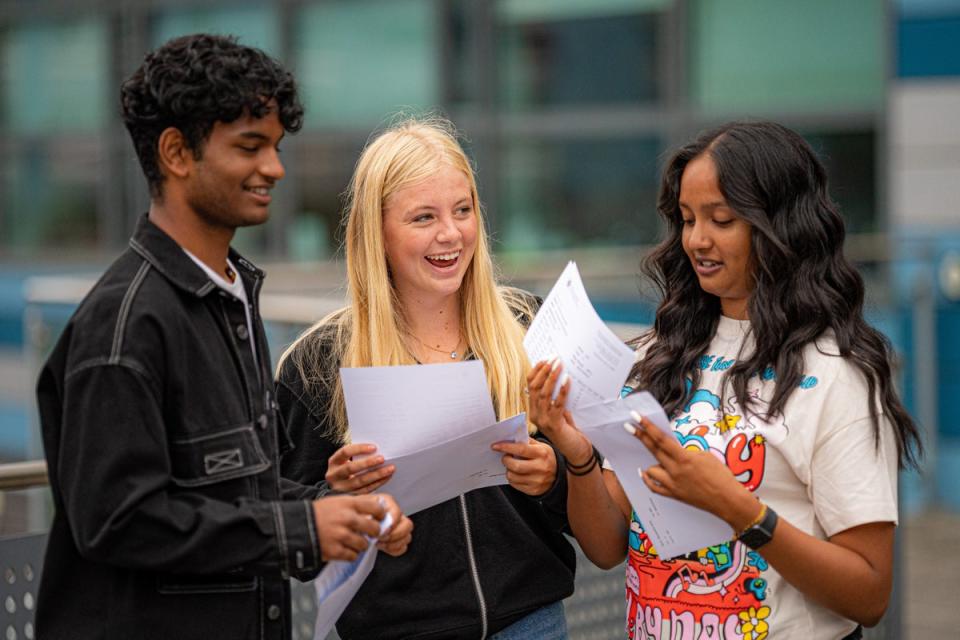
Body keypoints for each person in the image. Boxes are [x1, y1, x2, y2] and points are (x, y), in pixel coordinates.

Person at [35, 34, 412, 640]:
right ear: (177, 152)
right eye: (250, 146)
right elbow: (117, 521)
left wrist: (328, 504)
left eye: (277, 146)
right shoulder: (124, 324)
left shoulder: (229, 297)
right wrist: (301, 529)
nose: (275, 168)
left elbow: (227, 492)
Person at [528, 121, 922, 639]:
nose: (697, 240)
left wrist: (737, 509)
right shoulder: (661, 355)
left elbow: (869, 593)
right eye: (688, 219)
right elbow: (605, 548)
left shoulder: (835, 372)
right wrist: (576, 452)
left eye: (722, 219)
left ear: (782, 227)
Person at [276, 117, 576, 639]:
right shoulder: (317, 364)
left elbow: (596, 496)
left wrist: (554, 479)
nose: (450, 233)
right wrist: (337, 498)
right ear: (377, 231)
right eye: (423, 217)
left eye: (463, 210)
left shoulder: (528, 324)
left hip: (531, 623)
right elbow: (289, 540)